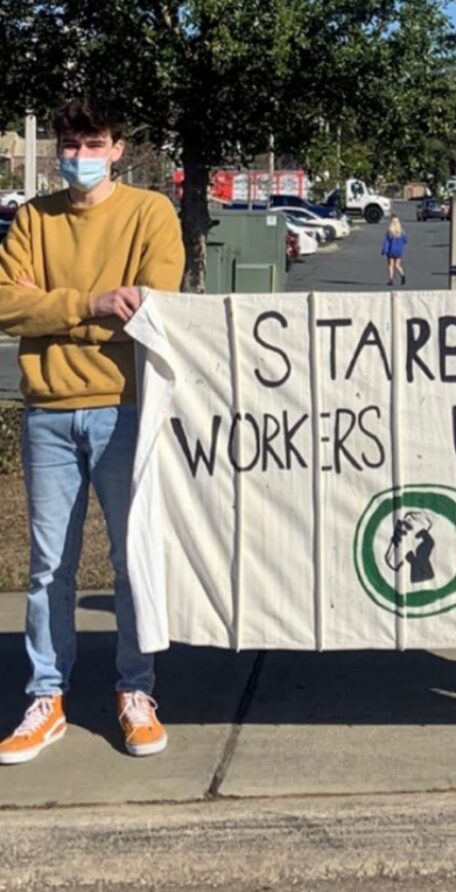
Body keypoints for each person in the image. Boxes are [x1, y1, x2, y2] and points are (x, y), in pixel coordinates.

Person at [0, 98, 185, 764]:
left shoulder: (150, 214)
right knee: (50, 566)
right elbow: (4, 303)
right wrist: (91, 303)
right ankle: (45, 697)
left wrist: (46, 306)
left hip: (126, 407)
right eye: (70, 145)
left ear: (118, 148)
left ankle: (136, 691)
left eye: (93, 143)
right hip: (47, 410)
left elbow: (152, 305)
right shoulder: (32, 218)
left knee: (135, 560)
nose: (79, 156)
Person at [382, 215, 408, 286]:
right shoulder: (401, 232)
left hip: (391, 250)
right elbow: (405, 240)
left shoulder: (389, 232)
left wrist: (384, 250)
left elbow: (386, 242)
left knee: (390, 265)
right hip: (398, 251)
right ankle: (402, 274)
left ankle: (391, 279)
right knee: (397, 265)